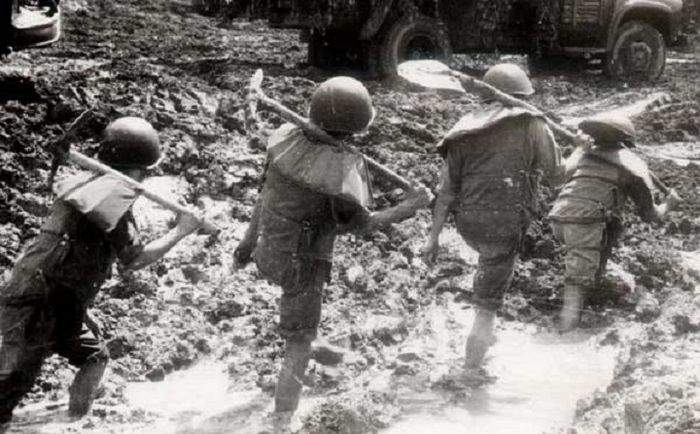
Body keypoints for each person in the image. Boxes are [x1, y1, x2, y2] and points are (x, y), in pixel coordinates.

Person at [234, 76, 431, 415]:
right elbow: (362, 224)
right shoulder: (342, 172)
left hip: (268, 252)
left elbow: (264, 195)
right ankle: (282, 420)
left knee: (302, 328)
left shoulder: (284, 140)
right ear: (357, 128)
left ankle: (318, 347)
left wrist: (245, 245)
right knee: (298, 343)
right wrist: (408, 207)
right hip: (302, 266)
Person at [0, 117, 202, 426]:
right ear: (141, 170)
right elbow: (134, 259)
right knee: (14, 383)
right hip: (45, 303)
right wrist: (181, 231)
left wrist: (81, 309)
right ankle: (74, 421)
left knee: (85, 357)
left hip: (35, 289)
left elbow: (69, 256)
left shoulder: (84, 187)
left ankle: (73, 420)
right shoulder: (112, 205)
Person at [421, 63, 563, 370]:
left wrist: (433, 238)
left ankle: (487, 337)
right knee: (487, 305)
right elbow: (557, 177)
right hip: (506, 222)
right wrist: (581, 151)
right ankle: (471, 371)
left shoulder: (462, 129)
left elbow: (446, 192)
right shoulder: (532, 124)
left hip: (468, 223)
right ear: (522, 96)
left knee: (488, 268)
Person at [549, 114, 682, 332]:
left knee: (612, 226)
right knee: (576, 282)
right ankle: (565, 330)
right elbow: (649, 215)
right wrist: (668, 204)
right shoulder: (633, 165)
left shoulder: (586, 153)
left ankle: (592, 286)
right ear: (627, 140)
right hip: (585, 222)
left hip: (559, 218)